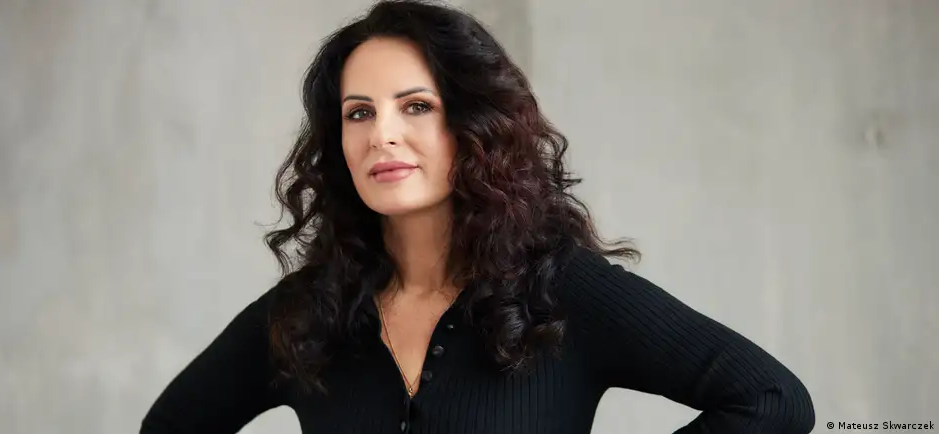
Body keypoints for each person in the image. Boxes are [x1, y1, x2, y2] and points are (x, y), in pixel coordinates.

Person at [139, 1, 816, 433]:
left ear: (474, 127)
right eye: (358, 113)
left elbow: (770, 399)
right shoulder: (306, 313)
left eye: (416, 106)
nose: (381, 135)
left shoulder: (560, 292)